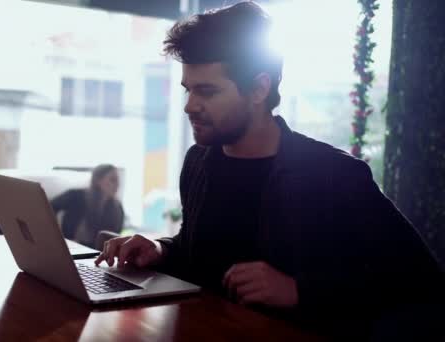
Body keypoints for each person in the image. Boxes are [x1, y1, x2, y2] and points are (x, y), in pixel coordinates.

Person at [95, 1, 443, 339]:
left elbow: (421, 282)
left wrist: (299, 291)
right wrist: (160, 251)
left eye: (207, 91)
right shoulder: (200, 162)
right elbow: (199, 254)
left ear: (259, 88)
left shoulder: (335, 175)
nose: (190, 106)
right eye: (188, 89)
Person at [51, 164, 124, 248]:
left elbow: (114, 237)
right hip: (69, 247)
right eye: (113, 179)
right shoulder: (75, 195)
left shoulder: (117, 208)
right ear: (98, 180)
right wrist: (57, 234)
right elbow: (48, 207)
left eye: (118, 180)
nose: (117, 184)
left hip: (96, 254)